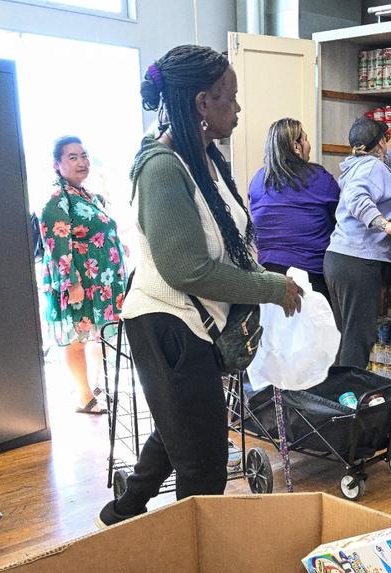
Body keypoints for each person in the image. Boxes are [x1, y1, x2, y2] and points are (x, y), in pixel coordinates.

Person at [97, 45, 303, 528]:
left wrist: (261, 277)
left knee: (179, 428)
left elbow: (223, 243)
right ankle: (193, 562)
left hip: (193, 324)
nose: (238, 108)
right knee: (204, 463)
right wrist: (270, 287)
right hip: (167, 325)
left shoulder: (202, 156)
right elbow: (187, 270)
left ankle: (122, 511)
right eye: (229, 98)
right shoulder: (163, 167)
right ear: (201, 104)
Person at [39, 136, 128, 414]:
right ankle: (84, 396)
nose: (82, 162)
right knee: (77, 339)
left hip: (99, 281)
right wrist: (72, 282)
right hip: (80, 283)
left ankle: (95, 389)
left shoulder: (85, 194)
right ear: (57, 164)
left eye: (84, 155)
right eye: (73, 157)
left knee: (93, 337)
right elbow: (56, 244)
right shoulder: (57, 199)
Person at [324, 115, 391, 368]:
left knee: (345, 335)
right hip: (359, 261)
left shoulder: (359, 164)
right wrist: (386, 225)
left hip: (339, 259)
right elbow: (356, 198)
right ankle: (351, 399)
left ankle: (337, 398)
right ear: (379, 143)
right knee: (359, 338)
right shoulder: (371, 167)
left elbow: (379, 172)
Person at [248, 118, 339, 299]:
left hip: (267, 277)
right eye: (305, 139)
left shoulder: (258, 179)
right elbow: (341, 217)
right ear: (296, 146)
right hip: (310, 276)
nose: (308, 145)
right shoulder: (318, 177)